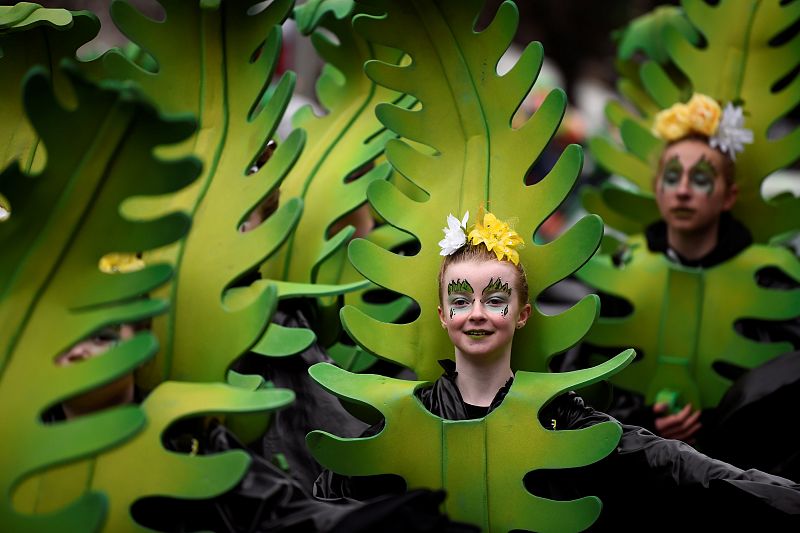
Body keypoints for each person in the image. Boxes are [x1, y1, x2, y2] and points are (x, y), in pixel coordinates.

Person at [315, 209, 800, 531]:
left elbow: (668, 464)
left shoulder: (557, 417)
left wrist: (777, 494)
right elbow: (330, 500)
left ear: (522, 314)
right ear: (443, 315)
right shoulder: (409, 415)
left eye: (496, 298)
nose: (477, 313)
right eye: (460, 300)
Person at [558, 95, 800, 479]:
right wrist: (640, 420)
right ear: (658, 188)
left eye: (701, 178)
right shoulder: (620, 271)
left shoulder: (769, 278)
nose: (683, 189)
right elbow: (582, 381)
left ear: (729, 195)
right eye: (673, 177)